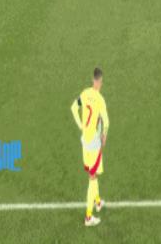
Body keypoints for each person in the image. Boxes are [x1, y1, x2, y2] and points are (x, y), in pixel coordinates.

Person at [71, 68, 109, 227]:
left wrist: (81, 126)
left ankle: (98, 202)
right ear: (100, 82)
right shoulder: (100, 99)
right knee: (92, 178)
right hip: (94, 144)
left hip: (85, 142)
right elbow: (106, 121)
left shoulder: (85, 93)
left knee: (93, 174)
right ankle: (88, 216)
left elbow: (73, 107)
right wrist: (104, 135)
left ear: (93, 79)